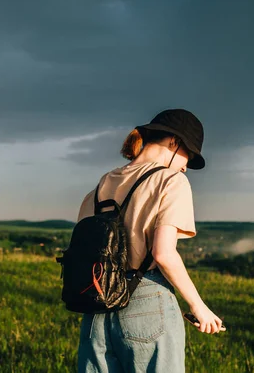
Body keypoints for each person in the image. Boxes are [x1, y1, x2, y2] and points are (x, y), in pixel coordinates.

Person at [76, 109, 223, 373]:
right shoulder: (171, 180)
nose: (186, 165)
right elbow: (164, 254)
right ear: (173, 142)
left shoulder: (101, 186)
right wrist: (199, 306)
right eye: (188, 154)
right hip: (145, 299)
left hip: (96, 304)